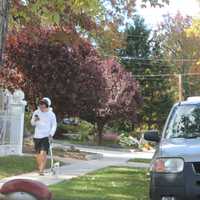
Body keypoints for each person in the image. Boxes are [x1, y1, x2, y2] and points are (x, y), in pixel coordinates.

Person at [31, 97, 57, 176]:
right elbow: (32, 123)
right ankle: (40, 168)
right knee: (38, 154)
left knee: (43, 153)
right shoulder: (36, 112)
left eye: (43, 105)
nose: (41, 107)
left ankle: (41, 170)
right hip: (37, 136)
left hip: (46, 136)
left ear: (47, 106)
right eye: (40, 105)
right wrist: (34, 120)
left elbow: (54, 125)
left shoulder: (51, 114)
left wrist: (51, 134)